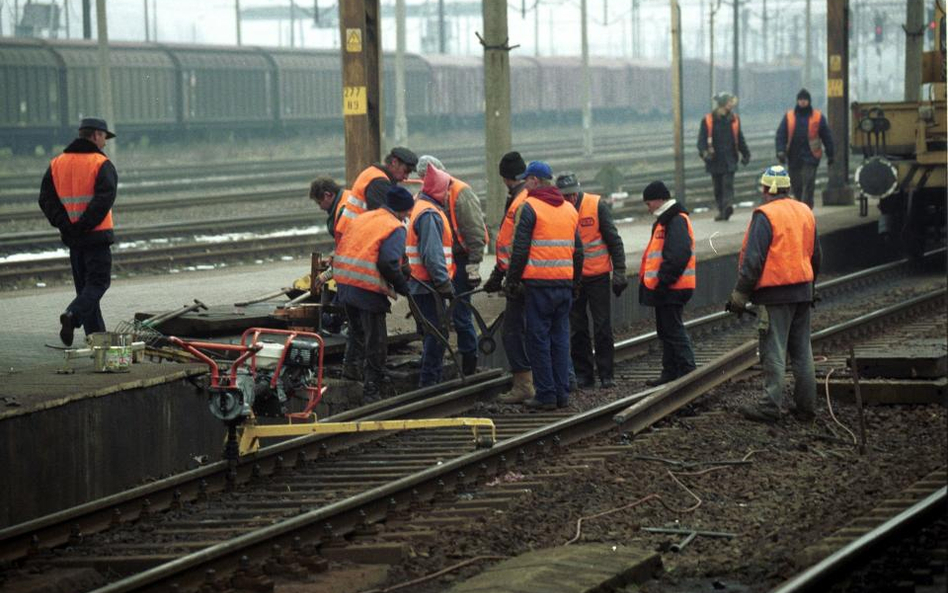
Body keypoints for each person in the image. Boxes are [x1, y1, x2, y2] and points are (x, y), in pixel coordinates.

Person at [728, 165, 822, 423]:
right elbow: (816, 255)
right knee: (802, 351)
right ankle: (806, 407)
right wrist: (811, 287)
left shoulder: (765, 215)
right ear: (787, 188)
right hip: (803, 291)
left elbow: (753, 260)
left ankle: (770, 407)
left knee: (774, 350)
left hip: (774, 294)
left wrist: (740, 293)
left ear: (767, 189)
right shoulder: (805, 211)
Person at [503, 161, 582, 410]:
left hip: (539, 285)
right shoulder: (569, 209)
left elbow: (520, 249)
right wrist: (576, 282)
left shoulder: (531, 208)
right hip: (564, 284)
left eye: (527, 180)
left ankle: (546, 394)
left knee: (538, 340)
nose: (525, 184)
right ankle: (562, 393)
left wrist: (512, 280)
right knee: (560, 340)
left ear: (535, 181)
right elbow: (578, 251)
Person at [39, 118, 118, 347]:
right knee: (98, 284)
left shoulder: (57, 163)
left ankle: (97, 339)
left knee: (86, 290)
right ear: (95, 136)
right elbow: (104, 199)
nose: (105, 143)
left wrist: (65, 224)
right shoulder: (101, 163)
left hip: (73, 239)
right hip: (96, 236)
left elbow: (45, 199)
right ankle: (72, 315)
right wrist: (83, 225)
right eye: (104, 137)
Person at [334, 186, 415, 402]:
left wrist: (403, 268)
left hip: (345, 283)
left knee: (356, 331)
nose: (408, 216)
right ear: (400, 210)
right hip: (366, 288)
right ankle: (372, 389)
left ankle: (350, 371)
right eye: (408, 212)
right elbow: (387, 262)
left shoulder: (365, 217)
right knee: (376, 340)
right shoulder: (395, 226)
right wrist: (402, 286)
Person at [417, 156, 488, 376]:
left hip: (461, 259)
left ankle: (469, 363)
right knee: (441, 317)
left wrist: (474, 264)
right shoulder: (428, 197)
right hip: (445, 261)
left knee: (461, 313)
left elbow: (475, 230)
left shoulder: (460, 193)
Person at [555, 172, 627, 389]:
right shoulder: (558, 210)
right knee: (577, 328)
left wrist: (620, 271)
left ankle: (607, 374)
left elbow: (614, 241)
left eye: (572, 194)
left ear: (578, 190)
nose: (570, 199)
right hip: (573, 278)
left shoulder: (596, 206)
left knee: (602, 325)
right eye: (566, 196)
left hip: (598, 277)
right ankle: (584, 374)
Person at [484, 151, 535, 403]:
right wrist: (498, 274)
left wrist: (509, 277)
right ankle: (561, 379)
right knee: (539, 329)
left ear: (505, 178)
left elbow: (517, 244)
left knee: (514, 332)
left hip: (523, 277)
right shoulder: (526, 197)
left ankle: (524, 385)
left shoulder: (520, 201)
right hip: (531, 274)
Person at [638, 181, 697, 386]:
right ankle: (671, 372)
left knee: (673, 330)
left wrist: (664, 282)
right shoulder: (666, 220)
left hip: (673, 287)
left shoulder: (675, 219)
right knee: (666, 330)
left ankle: (688, 373)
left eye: (648, 203)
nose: (648, 208)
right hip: (668, 286)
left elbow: (679, 254)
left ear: (658, 199)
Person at [406, 166, 456, 387]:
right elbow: (432, 255)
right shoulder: (429, 215)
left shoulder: (421, 208)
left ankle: (429, 384)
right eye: (446, 191)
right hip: (427, 286)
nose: (447, 195)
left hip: (421, 285)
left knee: (431, 334)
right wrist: (444, 284)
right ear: (437, 190)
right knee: (437, 334)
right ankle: (429, 386)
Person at [775, 88, 835, 209]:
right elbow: (781, 134)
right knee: (796, 184)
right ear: (797, 101)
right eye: (800, 100)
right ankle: (799, 203)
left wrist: (830, 154)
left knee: (808, 182)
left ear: (809, 101)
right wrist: (780, 151)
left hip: (811, 155)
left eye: (805, 100)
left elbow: (826, 136)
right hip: (794, 156)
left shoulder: (818, 117)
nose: (802, 102)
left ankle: (806, 207)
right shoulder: (789, 116)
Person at [697, 93, 751, 221]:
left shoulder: (734, 119)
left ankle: (727, 206)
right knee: (718, 188)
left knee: (727, 184)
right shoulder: (708, 120)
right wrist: (704, 153)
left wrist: (746, 153)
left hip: (729, 159)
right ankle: (722, 210)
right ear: (723, 104)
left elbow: (739, 138)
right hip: (714, 159)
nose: (732, 105)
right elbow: (701, 140)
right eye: (729, 102)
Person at [349, 146, 419, 212]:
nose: (406, 177)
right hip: (357, 224)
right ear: (394, 162)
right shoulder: (379, 183)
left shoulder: (375, 174)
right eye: (406, 171)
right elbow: (385, 216)